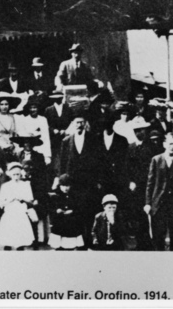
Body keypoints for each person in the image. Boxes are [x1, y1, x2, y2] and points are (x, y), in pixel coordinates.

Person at [56, 109, 101, 241]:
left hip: (89, 182)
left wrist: (98, 180)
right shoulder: (66, 141)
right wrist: (62, 181)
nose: (79, 125)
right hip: (72, 182)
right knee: (75, 210)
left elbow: (99, 161)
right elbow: (62, 163)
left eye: (82, 122)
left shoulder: (93, 139)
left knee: (88, 209)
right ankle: (76, 239)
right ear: (73, 124)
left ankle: (89, 238)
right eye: (77, 122)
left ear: (85, 123)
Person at [126, 120, 155, 250]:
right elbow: (127, 167)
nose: (139, 133)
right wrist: (131, 181)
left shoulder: (153, 147)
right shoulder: (130, 147)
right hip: (134, 188)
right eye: (136, 130)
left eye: (142, 130)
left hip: (148, 186)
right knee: (137, 215)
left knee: (149, 214)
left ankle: (150, 242)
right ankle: (140, 242)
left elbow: (152, 169)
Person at [0, 162, 37, 250]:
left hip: (21, 215)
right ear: (10, 174)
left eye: (18, 174)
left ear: (21, 173)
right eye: (14, 174)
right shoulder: (5, 186)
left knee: (20, 242)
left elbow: (30, 201)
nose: (16, 177)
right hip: (9, 215)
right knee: (8, 241)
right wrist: (9, 200)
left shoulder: (25, 185)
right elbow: (0, 204)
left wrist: (22, 199)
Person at [48, 174, 85, 250]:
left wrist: (72, 211)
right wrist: (56, 211)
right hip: (58, 225)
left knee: (70, 246)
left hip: (71, 225)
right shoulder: (55, 195)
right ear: (60, 185)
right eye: (63, 186)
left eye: (67, 185)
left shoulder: (74, 196)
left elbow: (80, 208)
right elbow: (49, 208)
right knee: (58, 247)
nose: (66, 188)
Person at [16, 95, 52, 164]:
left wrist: (47, 155)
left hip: (41, 150)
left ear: (38, 108)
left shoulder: (43, 119)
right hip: (29, 150)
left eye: (35, 107)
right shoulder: (24, 120)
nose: (33, 110)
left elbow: (46, 138)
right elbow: (22, 136)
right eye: (31, 108)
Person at [44, 90, 73, 165]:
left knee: (65, 155)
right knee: (54, 157)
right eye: (55, 98)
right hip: (53, 138)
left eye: (59, 98)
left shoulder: (68, 109)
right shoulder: (48, 110)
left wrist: (66, 130)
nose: (57, 99)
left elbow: (71, 122)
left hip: (66, 136)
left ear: (62, 98)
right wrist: (53, 130)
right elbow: (45, 124)